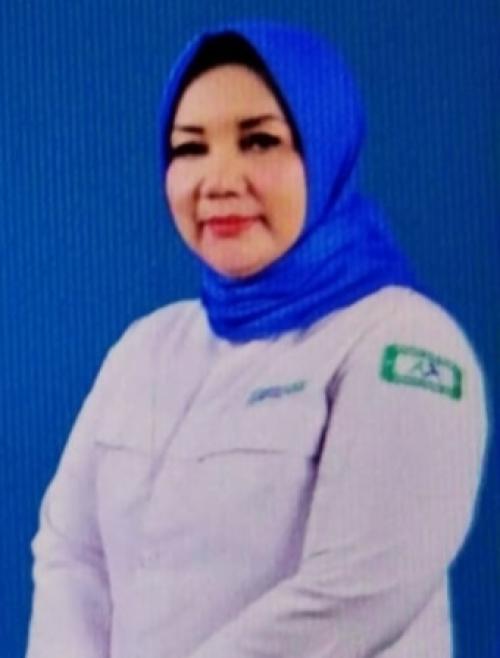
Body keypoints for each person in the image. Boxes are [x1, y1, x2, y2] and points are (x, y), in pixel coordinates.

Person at [25, 21, 487, 658]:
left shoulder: (401, 341)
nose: (218, 180)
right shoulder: (145, 347)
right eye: (191, 149)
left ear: (326, 151)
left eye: (260, 141)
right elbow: (71, 550)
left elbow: (360, 591)